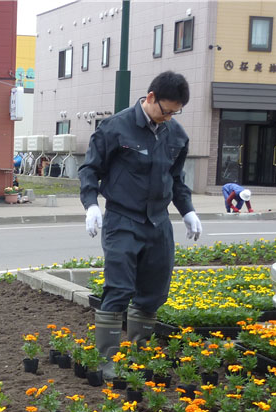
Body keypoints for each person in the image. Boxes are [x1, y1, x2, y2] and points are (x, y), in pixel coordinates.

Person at [78, 71, 201, 379]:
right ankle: (106, 360)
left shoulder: (176, 135)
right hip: (123, 219)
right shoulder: (115, 128)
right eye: (166, 110)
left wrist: (187, 211)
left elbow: (176, 180)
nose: (169, 117)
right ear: (150, 98)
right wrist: (91, 204)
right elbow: (89, 169)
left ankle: (138, 353)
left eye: (175, 112)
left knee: (154, 290)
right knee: (119, 287)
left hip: (158, 222)